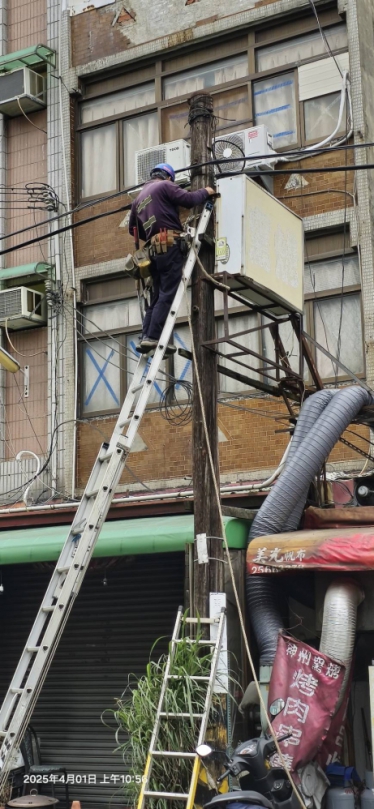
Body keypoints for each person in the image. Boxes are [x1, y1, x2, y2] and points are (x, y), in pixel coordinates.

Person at [129, 162, 215, 355]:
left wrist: (153, 232)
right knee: (168, 294)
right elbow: (190, 199)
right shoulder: (166, 186)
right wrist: (207, 190)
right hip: (170, 245)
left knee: (157, 296)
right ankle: (153, 337)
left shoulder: (137, 200)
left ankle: (147, 337)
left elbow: (132, 229)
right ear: (168, 177)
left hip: (153, 252)